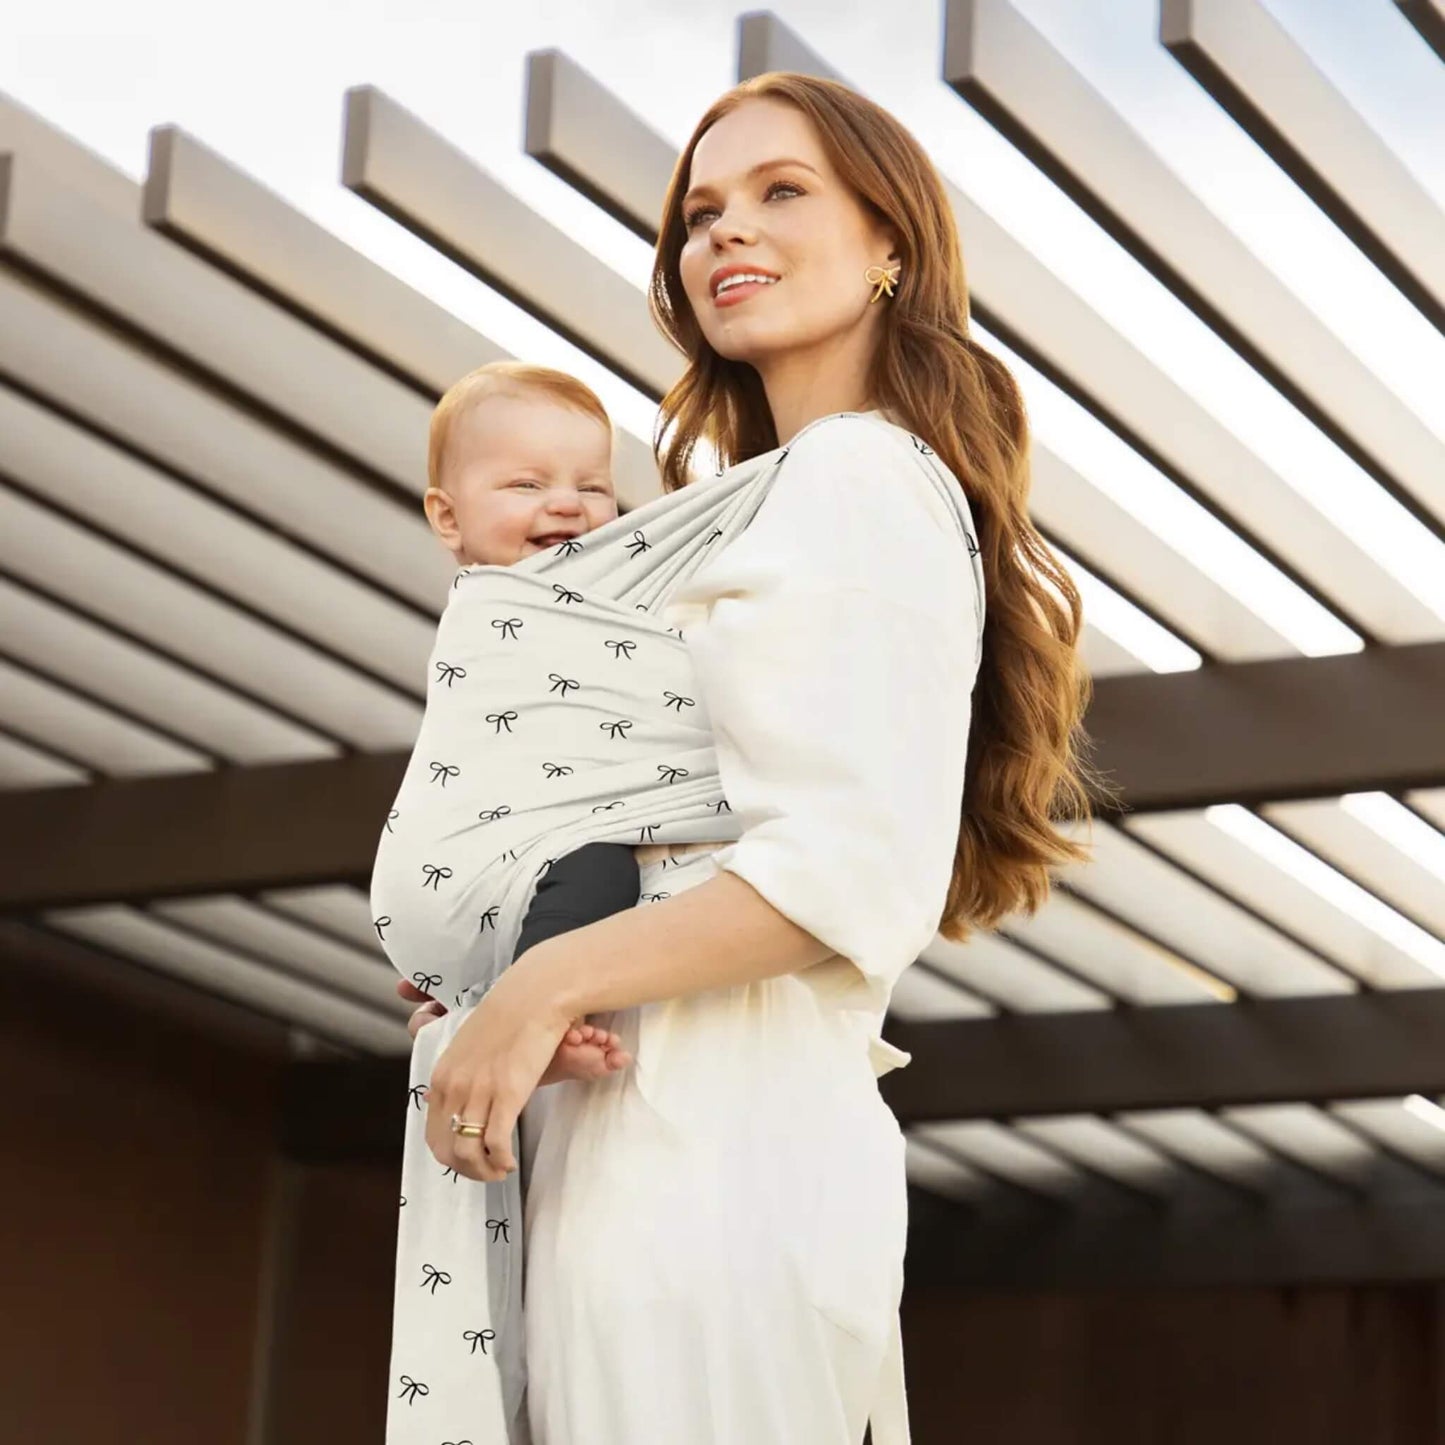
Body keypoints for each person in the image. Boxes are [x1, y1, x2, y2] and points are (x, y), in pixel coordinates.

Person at [399, 72, 1101, 1444]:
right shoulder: (765, 503)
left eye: (783, 193)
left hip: (712, 1169)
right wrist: (494, 981)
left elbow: (840, 869)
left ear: (891, 240)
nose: (725, 233)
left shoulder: (857, 478)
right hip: (644, 1147)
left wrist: (539, 986)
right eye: (698, 214)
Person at [388, 359, 645, 1083]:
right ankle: (534, 1023)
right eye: (527, 484)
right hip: (490, 847)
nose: (566, 505)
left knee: (574, 888)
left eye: (592, 486)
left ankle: (472, 1014)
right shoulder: (500, 607)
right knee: (600, 871)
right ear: (447, 516)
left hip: (497, 859)